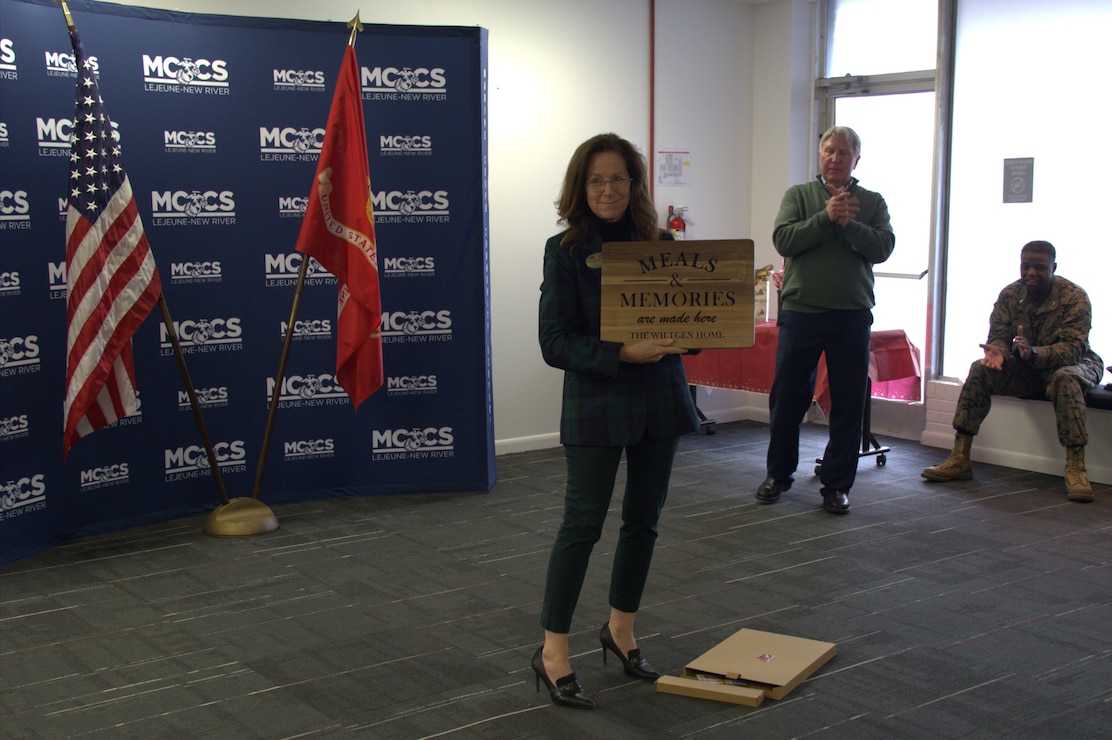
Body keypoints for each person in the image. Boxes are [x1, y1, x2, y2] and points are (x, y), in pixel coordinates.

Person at [533, 133, 699, 709]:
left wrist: (699, 332)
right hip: (598, 402)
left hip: (659, 401)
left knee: (643, 522)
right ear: (582, 187)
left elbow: (693, 326)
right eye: (597, 180)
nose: (609, 190)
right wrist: (620, 353)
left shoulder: (662, 242)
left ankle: (621, 630)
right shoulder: (564, 250)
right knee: (582, 525)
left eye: (619, 179)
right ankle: (553, 651)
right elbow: (554, 342)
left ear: (636, 185)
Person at [755, 125, 895, 514]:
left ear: (856, 160)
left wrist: (851, 224)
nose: (835, 159)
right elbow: (784, 240)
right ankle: (778, 475)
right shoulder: (799, 196)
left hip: (851, 314)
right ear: (820, 156)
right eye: (829, 151)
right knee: (787, 399)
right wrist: (825, 218)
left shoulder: (871, 201)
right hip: (802, 312)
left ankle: (836, 485)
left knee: (848, 402)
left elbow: (884, 247)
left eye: (844, 153)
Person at [922, 240, 1104, 502]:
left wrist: (1036, 352)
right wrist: (998, 351)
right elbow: (999, 336)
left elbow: (1073, 349)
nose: (1031, 272)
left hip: (1075, 363)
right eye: (1026, 266)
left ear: (1053, 267)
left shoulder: (1074, 297)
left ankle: (1076, 468)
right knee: (980, 369)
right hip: (1029, 366)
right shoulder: (1010, 295)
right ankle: (960, 457)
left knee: (1065, 379)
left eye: (1039, 267)